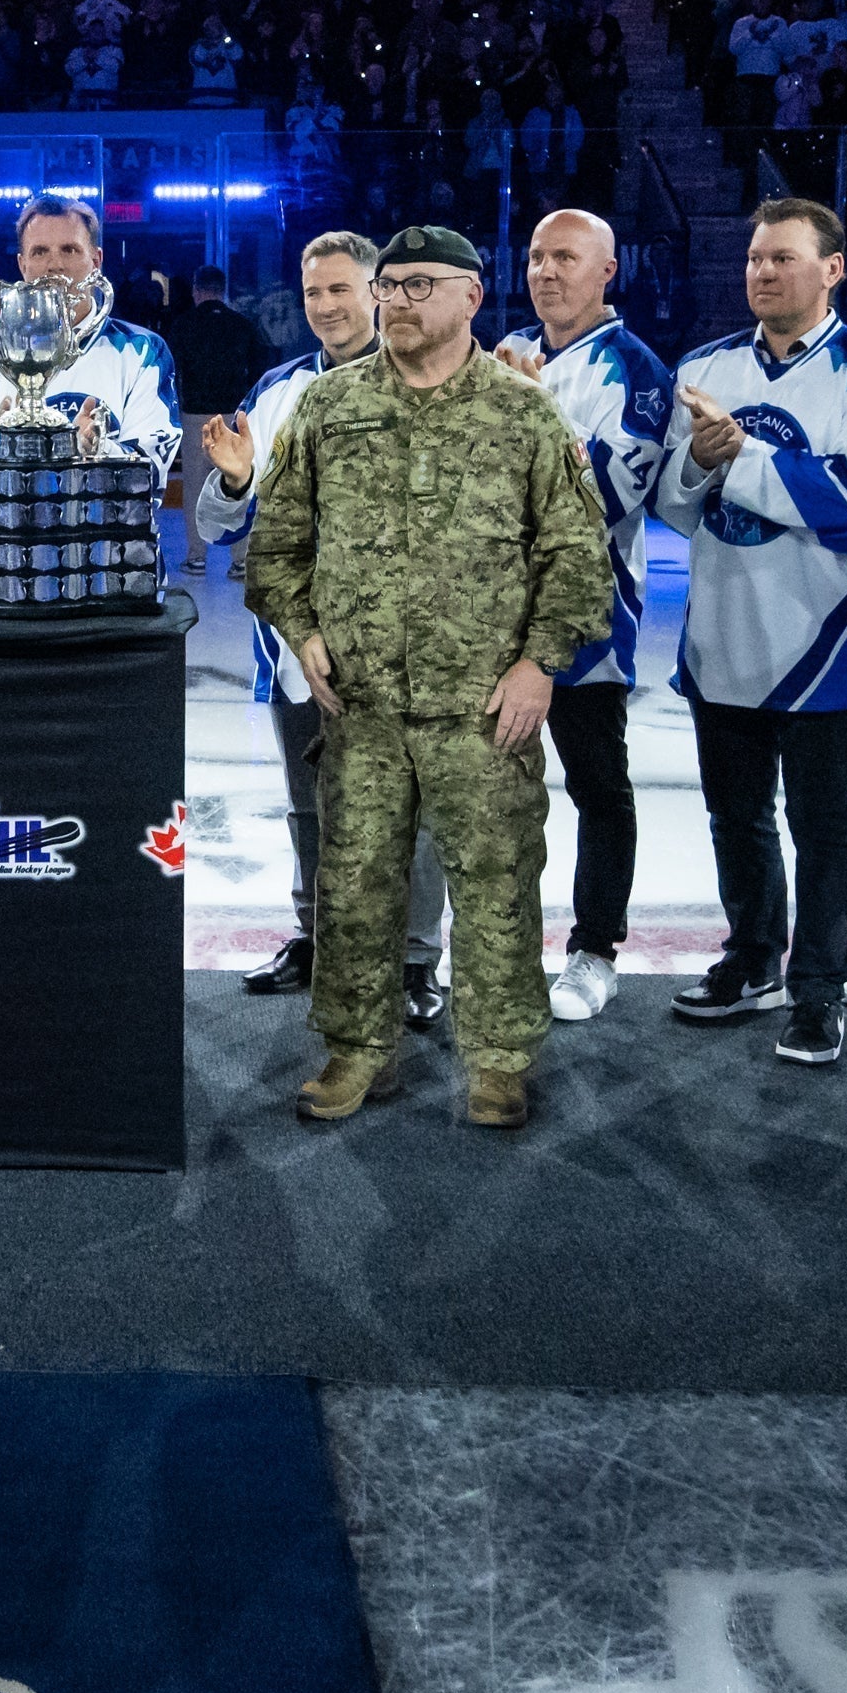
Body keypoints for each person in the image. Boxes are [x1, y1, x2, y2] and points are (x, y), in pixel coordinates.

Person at [243, 225, 611, 1130]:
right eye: (391, 287)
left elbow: (577, 555)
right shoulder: (328, 408)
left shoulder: (523, 414)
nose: (397, 303)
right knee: (356, 887)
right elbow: (276, 547)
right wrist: (302, 631)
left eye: (419, 286)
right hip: (360, 709)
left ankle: (498, 1060)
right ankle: (355, 1051)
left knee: (495, 886)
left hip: (483, 712)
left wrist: (540, 664)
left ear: (471, 298)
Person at [651, 199, 847, 1065]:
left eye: (785, 259)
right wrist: (696, 461)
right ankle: (753, 958)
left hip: (824, 648)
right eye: (757, 258)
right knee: (736, 819)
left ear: (833, 269)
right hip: (721, 638)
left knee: (825, 825)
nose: (764, 272)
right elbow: (675, 509)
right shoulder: (706, 364)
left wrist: (741, 459)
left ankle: (819, 990)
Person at [194, 233, 449, 1031]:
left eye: (342, 289)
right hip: (296, 648)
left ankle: (412, 960)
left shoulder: (430, 377)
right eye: (313, 294)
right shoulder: (275, 391)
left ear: (378, 289)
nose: (328, 307)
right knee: (310, 806)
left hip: (404, 648)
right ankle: (315, 937)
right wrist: (234, 483)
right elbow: (217, 525)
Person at [488, 210, 668, 1023]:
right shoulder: (499, 356)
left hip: (589, 622)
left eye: (565, 256)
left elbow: (607, 495)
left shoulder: (636, 370)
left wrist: (531, 414)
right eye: (534, 257)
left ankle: (594, 951)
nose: (546, 271)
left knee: (598, 786)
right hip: (488, 627)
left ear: (609, 269)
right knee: (489, 792)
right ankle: (497, 943)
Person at [0, 195, 181, 483]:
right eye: (40, 251)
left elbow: (151, 470)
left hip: (107, 528)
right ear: (22, 265)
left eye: (69, 250)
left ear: (96, 261)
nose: (55, 265)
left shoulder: (143, 352)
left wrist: (96, 448)